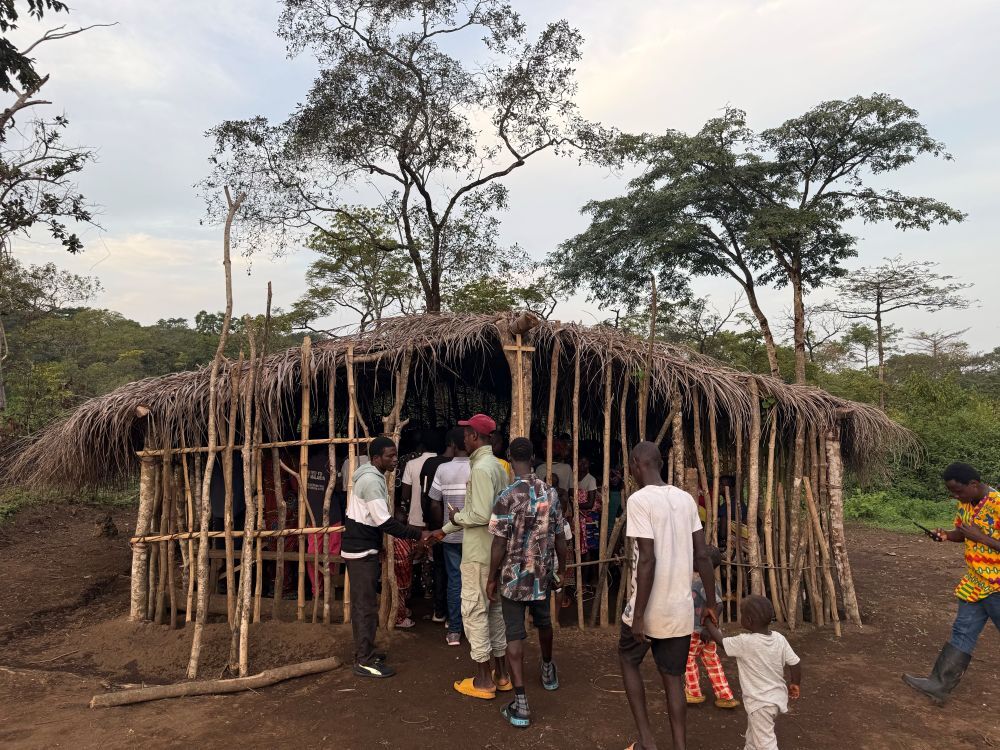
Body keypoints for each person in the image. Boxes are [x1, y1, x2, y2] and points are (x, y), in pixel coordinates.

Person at [619, 441, 717, 750]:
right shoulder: (686, 499)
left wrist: (637, 616)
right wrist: (711, 604)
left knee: (628, 659)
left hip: (650, 609)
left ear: (637, 464)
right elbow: (702, 556)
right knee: (673, 678)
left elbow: (647, 559)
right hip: (680, 609)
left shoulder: (639, 501)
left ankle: (647, 741)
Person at [486, 437, 568, 728]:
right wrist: (563, 571)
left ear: (510, 457)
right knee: (544, 624)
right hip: (541, 578)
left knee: (514, 635)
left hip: (512, 580)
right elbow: (560, 537)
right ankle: (547, 670)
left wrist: (491, 578)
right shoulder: (552, 494)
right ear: (533, 457)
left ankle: (521, 705)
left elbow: (498, 544)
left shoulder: (506, 496)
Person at [903, 462, 1000, 703]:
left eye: (959, 491)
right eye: (952, 492)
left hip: (998, 586)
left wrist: (982, 538)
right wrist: (946, 536)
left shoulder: (998, 505)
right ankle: (938, 685)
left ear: (974, 484)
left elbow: (977, 537)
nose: (956, 496)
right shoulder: (965, 504)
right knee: (962, 631)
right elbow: (962, 534)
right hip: (975, 582)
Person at [430, 413, 511, 698]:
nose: (462, 438)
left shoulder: (481, 469)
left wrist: (454, 517)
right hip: (496, 551)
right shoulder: (498, 467)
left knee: (474, 611)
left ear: (475, 436)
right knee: (495, 611)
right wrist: (447, 528)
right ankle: (501, 675)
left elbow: (479, 513)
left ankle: (483, 681)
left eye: (466, 433)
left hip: (478, 552)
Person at [342, 436, 430, 678]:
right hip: (360, 551)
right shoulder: (371, 480)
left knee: (365, 605)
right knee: (365, 607)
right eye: (390, 456)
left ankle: (366, 651)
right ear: (376, 458)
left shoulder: (370, 475)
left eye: (395, 455)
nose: (395, 460)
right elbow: (384, 522)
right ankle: (364, 660)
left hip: (363, 547)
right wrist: (418, 534)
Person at [702, 596, 802, 750]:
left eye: (741, 614)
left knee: (766, 744)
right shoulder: (779, 639)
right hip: (776, 699)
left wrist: (708, 622)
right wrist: (795, 683)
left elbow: (721, 642)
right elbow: (795, 662)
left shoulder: (745, 642)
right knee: (753, 738)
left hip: (760, 703)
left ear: (748, 621)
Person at [428, 428, 471, 645]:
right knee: (475, 582)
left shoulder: (443, 469)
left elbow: (435, 503)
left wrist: (443, 528)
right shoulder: (478, 468)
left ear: (452, 444)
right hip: (475, 537)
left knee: (455, 581)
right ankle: (475, 631)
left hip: (451, 537)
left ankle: (455, 630)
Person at [685, 546, 739, 709]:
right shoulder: (705, 581)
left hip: (697, 630)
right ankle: (725, 695)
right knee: (712, 661)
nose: (694, 560)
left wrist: (708, 629)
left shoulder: (702, 582)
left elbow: (717, 604)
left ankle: (693, 692)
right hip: (708, 631)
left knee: (688, 659)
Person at [393, 434, 437, 628]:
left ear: (419, 447)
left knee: (411, 560)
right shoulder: (444, 462)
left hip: (415, 521)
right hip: (438, 523)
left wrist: (405, 509)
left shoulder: (412, 464)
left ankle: (409, 597)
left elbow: (405, 493)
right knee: (433, 559)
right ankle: (431, 594)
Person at [421, 429, 456, 625]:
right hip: (458, 527)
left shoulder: (431, 464)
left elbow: (427, 497)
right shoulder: (466, 465)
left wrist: (430, 523)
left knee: (440, 569)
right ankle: (453, 617)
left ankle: (439, 610)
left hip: (436, 525)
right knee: (455, 572)